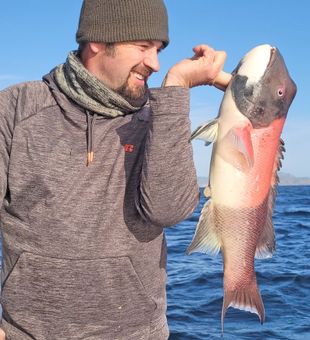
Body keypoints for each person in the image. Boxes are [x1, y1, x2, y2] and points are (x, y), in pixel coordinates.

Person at [0, 0, 227, 339]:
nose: (154, 62)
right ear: (98, 41)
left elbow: (168, 209)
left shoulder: (159, 115)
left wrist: (178, 87)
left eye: (159, 49)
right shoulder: (17, 108)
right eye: (143, 46)